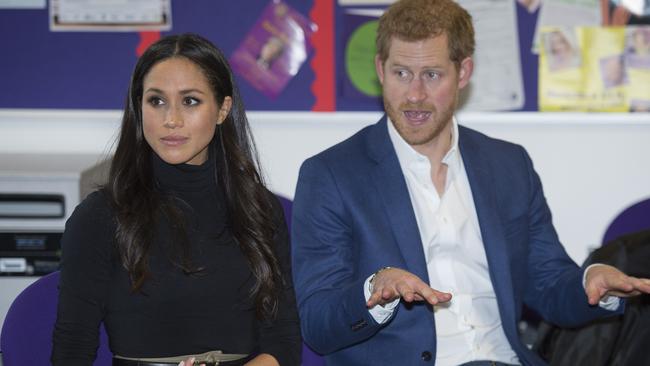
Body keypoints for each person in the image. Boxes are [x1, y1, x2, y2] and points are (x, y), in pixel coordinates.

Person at [290, 1, 650, 365]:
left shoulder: (509, 166)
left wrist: (591, 285)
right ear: (380, 69)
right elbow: (318, 323)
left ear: (463, 73)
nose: (414, 95)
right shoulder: (332, 175)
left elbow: (548, 283)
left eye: (431, 75)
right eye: (401, 73)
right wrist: (373, 291)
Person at [52, 33, 301, 366]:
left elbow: (282, 342)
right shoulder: (99, 217)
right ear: (138, 108)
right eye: (156, 101)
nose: (171, 119)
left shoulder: (260, 210)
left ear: (222, 109)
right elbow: (72, 349)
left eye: (190, 101)